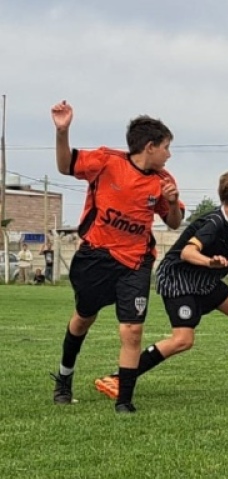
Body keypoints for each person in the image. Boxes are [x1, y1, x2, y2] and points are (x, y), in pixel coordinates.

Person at [48, 100, 184, 413]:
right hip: (96, 257)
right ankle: (64, 379)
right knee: (83, 320)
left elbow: (174, 222)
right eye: (167, 147)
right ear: (150, 147)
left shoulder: (164, 180)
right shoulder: (106, 161)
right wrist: (62, 131)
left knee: (132, 329)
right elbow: (65, 165)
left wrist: (173, 203)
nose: (169, 154)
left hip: (136, 263)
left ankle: (124, 401)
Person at [94, 169, 228, 401]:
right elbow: (187, 252)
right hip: (179, 280)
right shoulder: (213, 223)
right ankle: (117, 379)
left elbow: (220, 251)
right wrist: (209, 263)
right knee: (183, 340)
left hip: (202, 278)